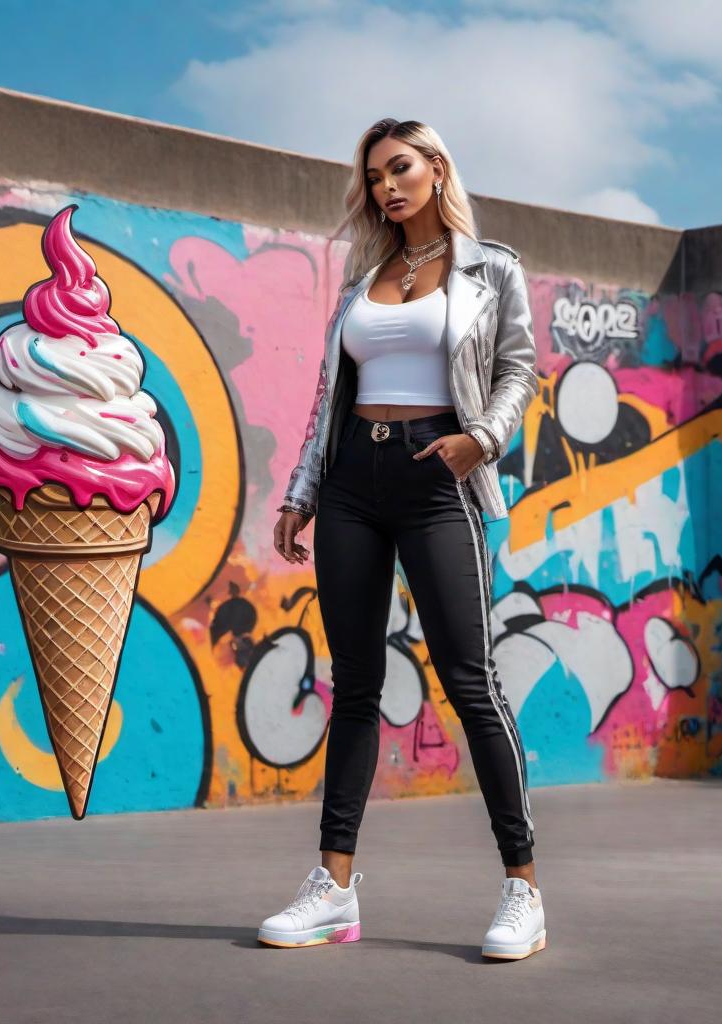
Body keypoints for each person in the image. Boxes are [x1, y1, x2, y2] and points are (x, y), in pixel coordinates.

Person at [260, 118, 544, 961]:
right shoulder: (362, 279)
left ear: (436, 168)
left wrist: (482, 439)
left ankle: (523, 888)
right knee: (354, 685)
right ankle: (333, 890)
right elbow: (329, 394)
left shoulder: (492, 268)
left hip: (435, 477)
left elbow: (518, 368)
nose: (387, 186)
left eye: (401, 168)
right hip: (351, 481)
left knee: (469, 679)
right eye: (375, 174)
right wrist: (302, 492)